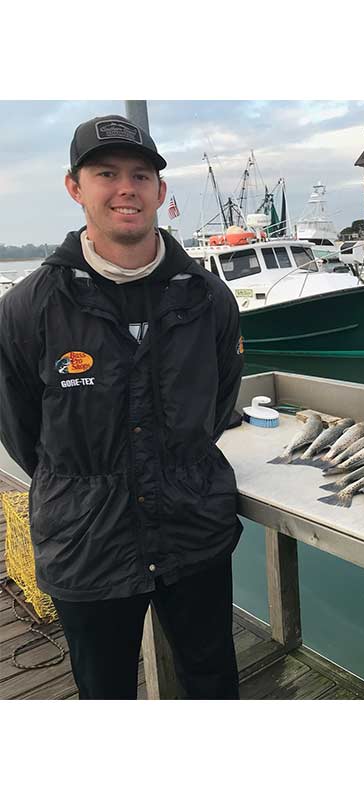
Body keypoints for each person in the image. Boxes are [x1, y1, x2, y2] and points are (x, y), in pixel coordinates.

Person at [0, 114, 245, 699]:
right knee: (105, 692)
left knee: (213, 683)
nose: (125, 188)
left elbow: (218, 405)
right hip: (87, 543)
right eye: (105, 173)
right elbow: (19, 426)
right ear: (74, 187)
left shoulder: (208, 298)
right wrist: (87, 485)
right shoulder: (29, 307)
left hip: (195, 532)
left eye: (141, 175)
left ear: (161, 191)